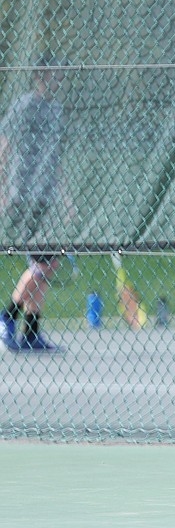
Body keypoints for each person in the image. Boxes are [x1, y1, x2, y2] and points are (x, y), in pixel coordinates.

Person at [0, 53, 67, 353]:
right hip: (23, 195)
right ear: (41, 76)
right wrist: (2, 187)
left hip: (46, 196)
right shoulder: (24, 106)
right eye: (54, 74)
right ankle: (6, 315)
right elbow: (5, 145)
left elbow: (56, 158)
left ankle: (30, 332)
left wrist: (65, 198)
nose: (60, 79)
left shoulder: (56, 111)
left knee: (47, 264)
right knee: (43, 263)